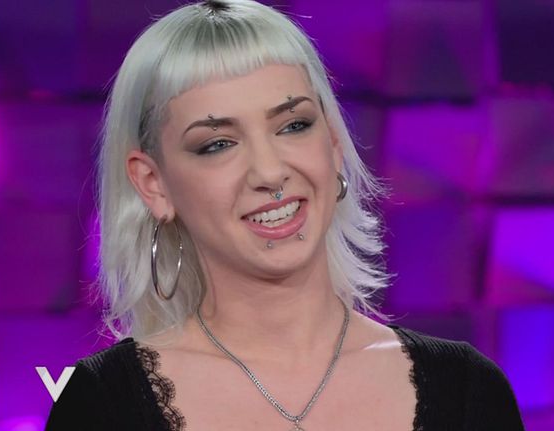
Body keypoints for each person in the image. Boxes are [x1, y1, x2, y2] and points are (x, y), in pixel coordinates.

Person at [46, 1, 525, 430]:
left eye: (294, 125)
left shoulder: (468, 390)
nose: (270, 171)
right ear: (154, 184)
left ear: (333, 145)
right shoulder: (102, 406)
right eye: (218, 144)